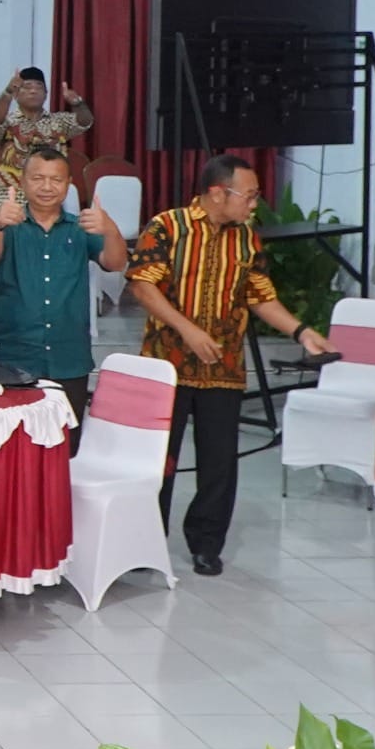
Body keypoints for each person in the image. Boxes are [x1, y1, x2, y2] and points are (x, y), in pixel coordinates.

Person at [126, 155, 330, 577]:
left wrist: (301, 331)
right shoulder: (167, 226)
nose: (255, 203)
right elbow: (143, 286)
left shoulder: (246, 239)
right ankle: (145, 542)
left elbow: (261, 297)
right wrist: (187, 330)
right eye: (250, 195)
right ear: (219, 192)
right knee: (158, 460)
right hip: (167, 365)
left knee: (220, 461)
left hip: (224, 366)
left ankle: (206, 544)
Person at [0, 146, 127, 443]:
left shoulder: (81, 228)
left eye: (56, 180)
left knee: (64, 449)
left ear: (68, 183)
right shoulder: (9, 226)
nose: (47, 187)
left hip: (68, 358)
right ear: (22, 182)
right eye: (38, 178)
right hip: (13, 358)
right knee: (13, 448)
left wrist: (111, 230)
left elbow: (115, 263)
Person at [0, 67, 95, 206]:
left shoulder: (58, 121)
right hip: (13, 197)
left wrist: (77, 102)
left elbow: (85, 122)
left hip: (50, 196)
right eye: (26, 87)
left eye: (39, 87)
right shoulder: (8, 121)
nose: (33, 91)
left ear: (46, 94)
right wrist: (7, 92)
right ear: (16, 94)